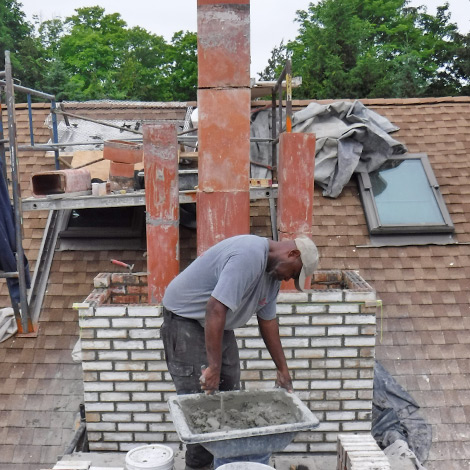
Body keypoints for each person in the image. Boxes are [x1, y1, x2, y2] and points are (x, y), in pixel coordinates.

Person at [162, 234, 319, 470]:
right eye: (294, 273)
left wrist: (282, 369)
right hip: (187, 322)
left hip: (218, 324)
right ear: (292, 254)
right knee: (200, 404)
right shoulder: (249, 254)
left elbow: (268, 322)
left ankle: (225, 464)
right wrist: (213, 367)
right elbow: (215, 307)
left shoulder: (272, 277)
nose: (289, 279)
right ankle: (198, 467)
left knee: (230, 392)